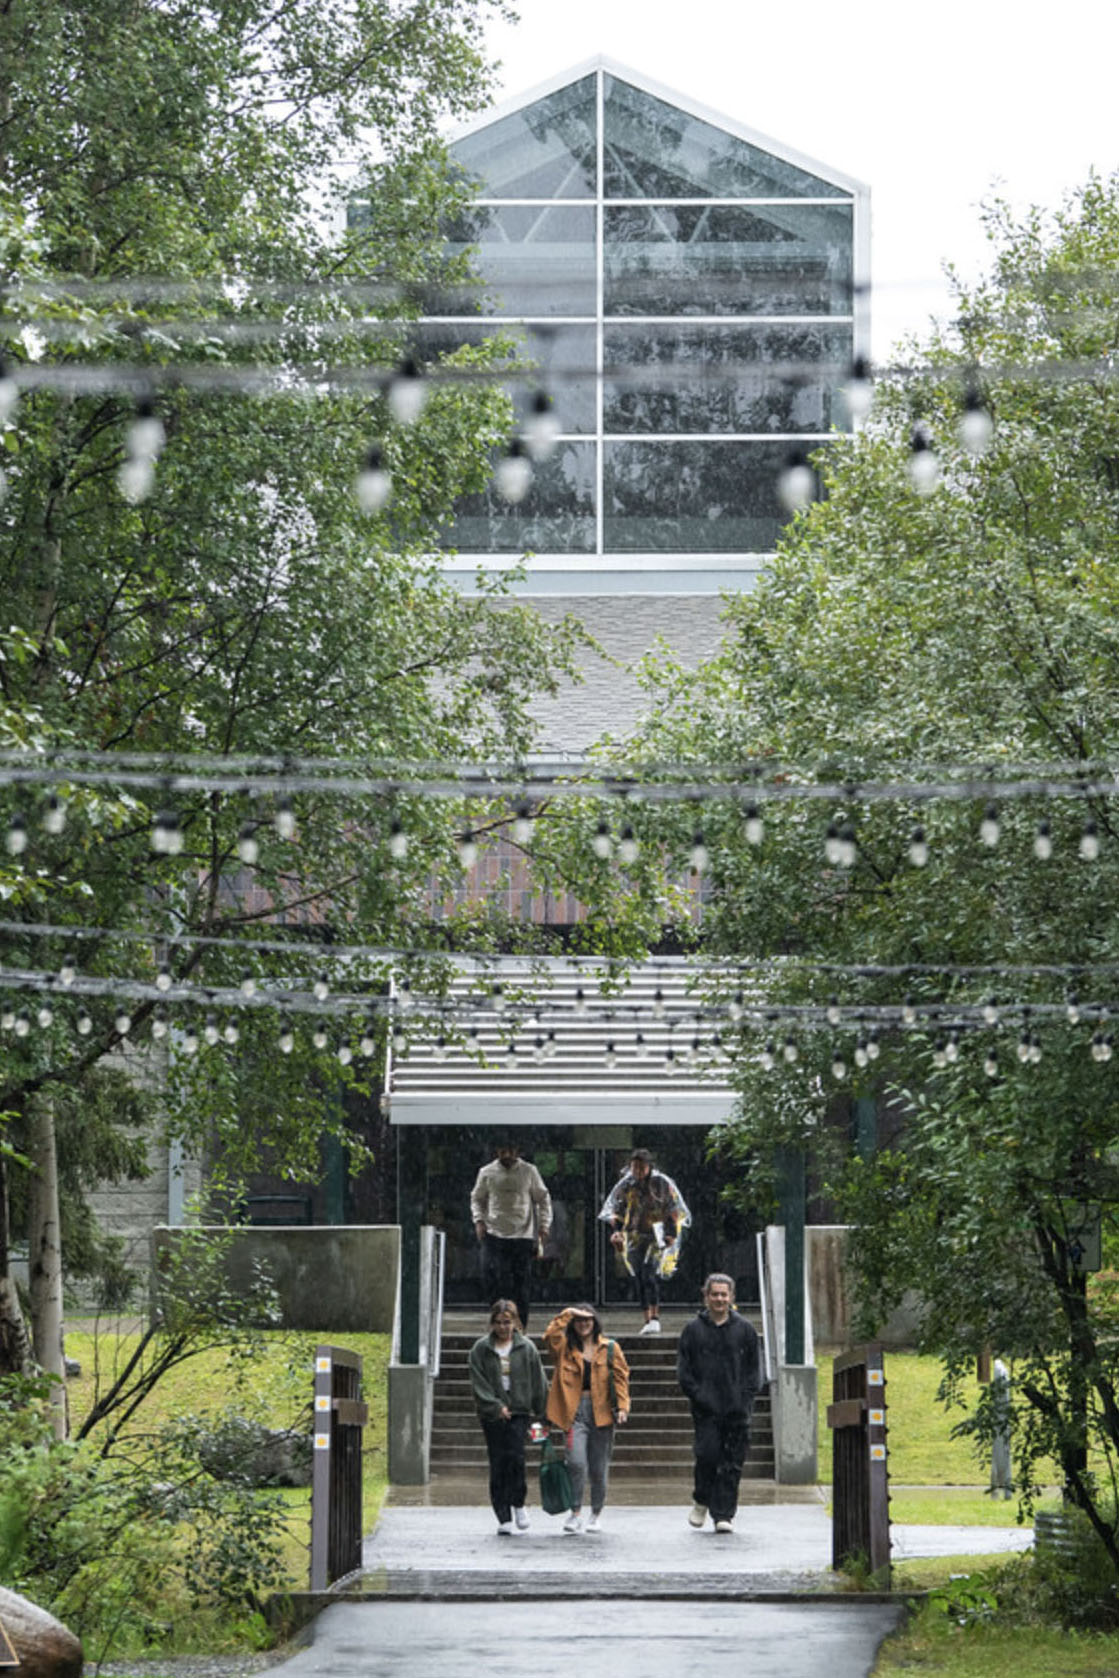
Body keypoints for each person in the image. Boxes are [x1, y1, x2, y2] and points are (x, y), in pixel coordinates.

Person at [676, 1272, 761, 1535]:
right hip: (706, 1411)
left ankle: (723, 1514)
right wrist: (699, 1395)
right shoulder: (692, 1330)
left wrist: (745, 1397)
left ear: (732, 1297)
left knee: (732, 1463)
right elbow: (684, 1371)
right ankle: (702, 1499)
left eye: (724, 1294)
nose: (719, 1299)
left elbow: (754, 1370)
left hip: (737, 1410)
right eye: (715, 1294)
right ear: (706, 1296)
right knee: (707, 1456)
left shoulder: (745, 1330)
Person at [543, 1303, 630, 1534]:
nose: (584, 1324)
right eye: (579, 1320)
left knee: (599, 1467)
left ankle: (596, 1511)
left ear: (595, 1322)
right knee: (576, 1462)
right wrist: (567, 1313)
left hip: (601, 1411)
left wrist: (622, 1406)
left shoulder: (610, 1347)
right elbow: (550, 1334)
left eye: (588, 1320)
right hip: (573, 1412)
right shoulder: (564, 1348)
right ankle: (575, 1511)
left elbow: (621, 1378)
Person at [468, 1298, 548, 1535]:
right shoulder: (481, 1349)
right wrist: (494, 1406)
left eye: (507, 1322)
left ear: (515, 1323)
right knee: (498, 1461)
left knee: (516, 1456)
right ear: (492, 1324)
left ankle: (519, 1502)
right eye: (498, 1323)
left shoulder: (527, 1348)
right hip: (492, 1414)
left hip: (519, 1411)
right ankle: (502, 1514)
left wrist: (543, 1415)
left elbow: (538, 1381)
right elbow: (478, 1382)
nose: (503, 1327)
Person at [599, 1147, 690, 1334]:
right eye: (634, 1168)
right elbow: (616, 1210)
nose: (637, 1172)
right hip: (634, 1235)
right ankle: (647, 1317)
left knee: (650, 1273)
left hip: (656, 1234)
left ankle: (655, 1316)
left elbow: (673, 1209)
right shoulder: (627, 1185)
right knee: (639, 1276)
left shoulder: (661, 1184)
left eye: (641, 1168)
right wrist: (616, 1231)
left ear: (649, 1167)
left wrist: (671, 1233)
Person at [470, 1137, 553, 1330]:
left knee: (521, 1283)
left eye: (510, 1150)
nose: (506, 1155)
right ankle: (498, 1322)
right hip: (494, 1233)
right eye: (502, 1150)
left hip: (522, 1235)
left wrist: (544, 1225)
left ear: (518, 1151)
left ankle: (520, 1325)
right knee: (493, 1278)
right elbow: (477, 1198)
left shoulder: (529, 1171)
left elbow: (543, 1198)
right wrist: (479, 1220)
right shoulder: (487, 1172)